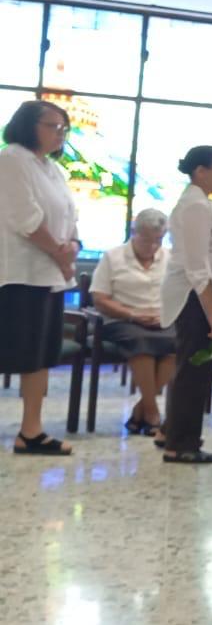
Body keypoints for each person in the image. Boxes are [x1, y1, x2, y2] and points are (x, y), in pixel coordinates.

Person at [0, 100, 79, 456]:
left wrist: (72, 245)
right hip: (19, 274)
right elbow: (25, 218)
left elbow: (69, 215)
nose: (60, 134)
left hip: (50, 276)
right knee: (13, 349)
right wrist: (60, 253)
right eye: (52, 126)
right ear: (28, 125)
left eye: (64, 128)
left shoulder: (51, 168)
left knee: (40, 355)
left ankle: (31, 430)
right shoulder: (11, 159)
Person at [159, 146, 212, 464]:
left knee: (192, 369)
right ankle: (181, 444)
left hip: (199, 296)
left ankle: (171, 432)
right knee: (193, 371)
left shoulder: (201, 203)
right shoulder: (195, 206)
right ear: (200, 171)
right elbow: (197, 267)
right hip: (194, 297)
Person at [89, 208, 176, 436]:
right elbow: (100, 298)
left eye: (158, 240)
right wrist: (132, 315)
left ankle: (141, 409)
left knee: (178, 342)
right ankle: (152, 412)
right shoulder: (113, 257)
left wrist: (164, 315)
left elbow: (180, 295)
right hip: (122, 320)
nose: (152, 246)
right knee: (141, 341)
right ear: (134, 233)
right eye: (146, 240)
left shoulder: (170, 258)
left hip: (160, 320)